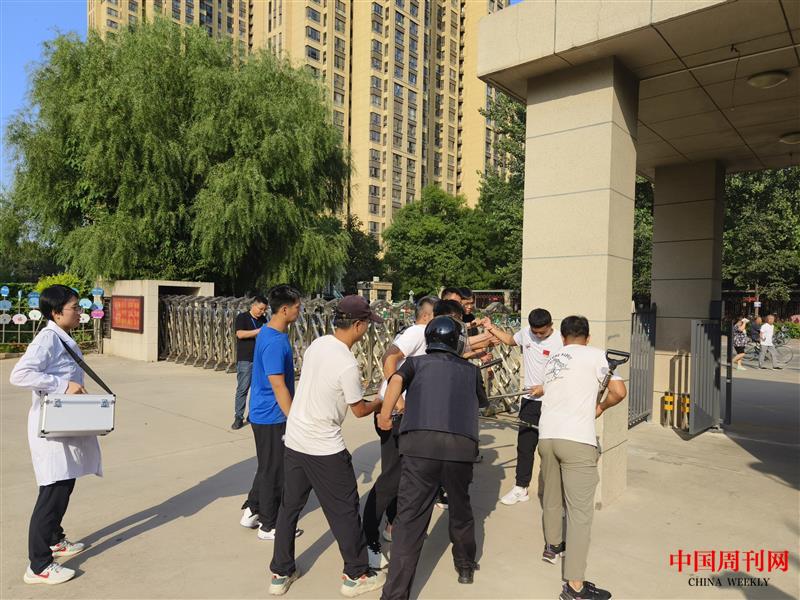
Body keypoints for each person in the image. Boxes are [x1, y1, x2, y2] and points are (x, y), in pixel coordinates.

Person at [269, 295, 386, 597]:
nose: (368, 330)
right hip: (324, 447)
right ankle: (357, 575)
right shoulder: (347, 363)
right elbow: (358, 410)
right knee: (345, 510)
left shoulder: (318, 344)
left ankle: (281, 572)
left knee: (289, 507)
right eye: (367, 324)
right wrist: (380, 401)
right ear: (358, 325)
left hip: (295, 438)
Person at [378, 316, 488, 600]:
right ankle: (465, 566)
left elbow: (395, 380)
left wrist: (385, 415)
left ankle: (394, 595)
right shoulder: (471, 370)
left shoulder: (415, 364)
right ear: (457, 341)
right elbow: (481, 402)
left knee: (410, 520)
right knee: (460, 508)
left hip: (419, 447)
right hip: (460, 449)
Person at [10, 285, 103, 585]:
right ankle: (38, 565)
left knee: (65, 482)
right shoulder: (47, 338)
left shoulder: (60, 336)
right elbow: (19, 374)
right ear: (55, 312)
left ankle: (54, 539)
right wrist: (63, 385)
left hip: (63, 423)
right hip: (50, 428)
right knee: (53, 490)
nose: (79, 312)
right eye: (74, 307)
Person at [537, 316, 627, 600]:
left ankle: (552, 546)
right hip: (577, 439)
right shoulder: (597, 355)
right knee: (579, 514)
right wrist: (600, 407)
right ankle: (575, 587)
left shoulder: (554, 358)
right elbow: (619, 392)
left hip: (547, 437)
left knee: (551, 496)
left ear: (563, 337)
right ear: (587, 337)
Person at [362, 295, 437, 569]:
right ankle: (368, 538)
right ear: (427, 316)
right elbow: (389, 358)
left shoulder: (427, 336)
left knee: (401, 475)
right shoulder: (417, 332)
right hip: (395, 415)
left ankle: (392, 525)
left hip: (403, 414)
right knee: (392, 478)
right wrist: (399, 398)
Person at [240, 285, 303, 540]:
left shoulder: (267, 331)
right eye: (297, 307)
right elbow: (278, 385)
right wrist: (294, 418)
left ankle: (252, 510)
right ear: (285, 309)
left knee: (267, 465)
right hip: (272, 415)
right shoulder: (275, 342)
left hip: (263, 412)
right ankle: (269, 524)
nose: (299, 311)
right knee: (275, 471)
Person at [484, 308, 563, 506]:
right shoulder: (526, 333)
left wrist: (545, 388)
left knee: (553, 448)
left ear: (551, 326)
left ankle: (558, 491)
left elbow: (566, 374)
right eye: (535, 332)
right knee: (525, 446)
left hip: (553, 401)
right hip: (529, 400)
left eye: (542, 332)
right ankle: (521, 487)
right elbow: (511, 341)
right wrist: (491, 328)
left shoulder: (560, 341)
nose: (538, 336)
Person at [232, 296, 268, 429]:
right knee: (243, 389)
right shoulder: (242, 317)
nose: (262, 312)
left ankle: (252, 414)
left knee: (258, 389)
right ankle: (238, 417)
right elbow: (240, 334)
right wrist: (259, 331)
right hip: (245, 359)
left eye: (264, 310)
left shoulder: (263, 320)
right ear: (253, 305)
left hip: (259, 360)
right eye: (260, 309)